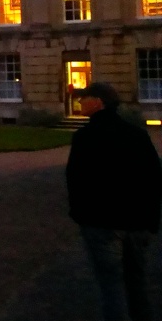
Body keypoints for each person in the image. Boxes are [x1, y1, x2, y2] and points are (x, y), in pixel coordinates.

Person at [67, 82, 162, 321]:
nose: (79, 102)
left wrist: (81, 216)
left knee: (112, 287)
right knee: (136, 285)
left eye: (84, 98)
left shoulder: (85, 137)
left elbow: (76, 180)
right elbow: (154, 178)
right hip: (136, 223)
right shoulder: (136, 135)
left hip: (102, 224)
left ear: (98, 102)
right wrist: (151, 222)